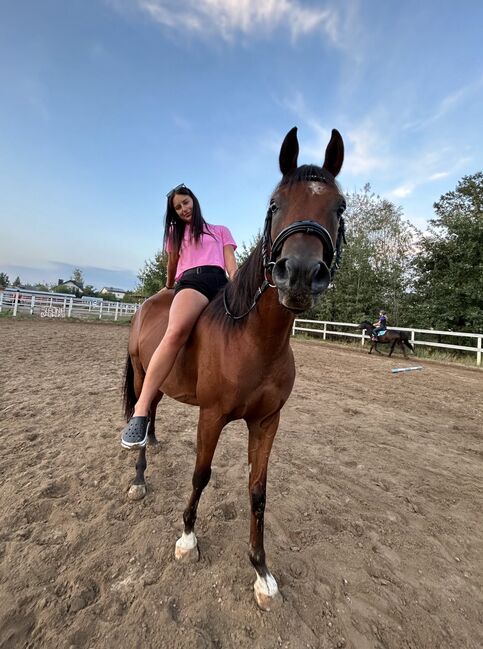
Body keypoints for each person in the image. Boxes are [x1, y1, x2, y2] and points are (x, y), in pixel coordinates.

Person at [121, 183, 237, 450]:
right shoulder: (176, 232)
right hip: (193, 282)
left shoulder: (220, 230)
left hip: (221, 284)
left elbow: (232, 267)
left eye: (186, 203)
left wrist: (239, 286)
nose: (183, 209)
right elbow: (172, 265)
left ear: (194, 201)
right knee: (175, 332)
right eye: (177, 207)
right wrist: (169, 286)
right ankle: (141, 410)